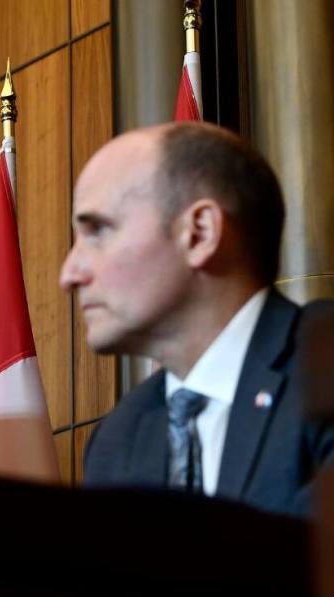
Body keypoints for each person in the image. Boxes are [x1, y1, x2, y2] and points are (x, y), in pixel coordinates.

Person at [60, 121, 334, 516]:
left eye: (98, 231)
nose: (68, 274)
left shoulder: (325, 363)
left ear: (200, 234)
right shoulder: (118, 439)